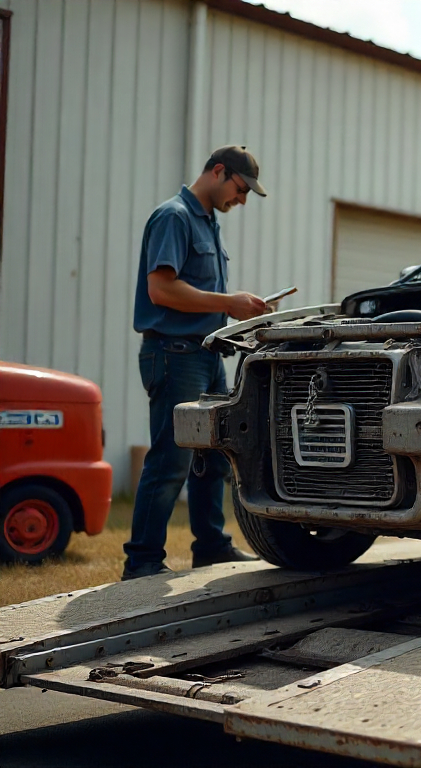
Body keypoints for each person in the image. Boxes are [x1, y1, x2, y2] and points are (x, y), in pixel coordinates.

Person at [122, 146, 271, 580]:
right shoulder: (174, 217)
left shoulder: (209, 223)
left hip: (206, 354)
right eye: (241, 189)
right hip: (173, 355)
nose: (241, 200)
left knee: (215, 456)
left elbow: (197, 296)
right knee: (171, 459)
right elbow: (161, 291)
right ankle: (143, 560)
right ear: (219, 171)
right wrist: (230, 301)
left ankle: (211, 546)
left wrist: (236, 309)